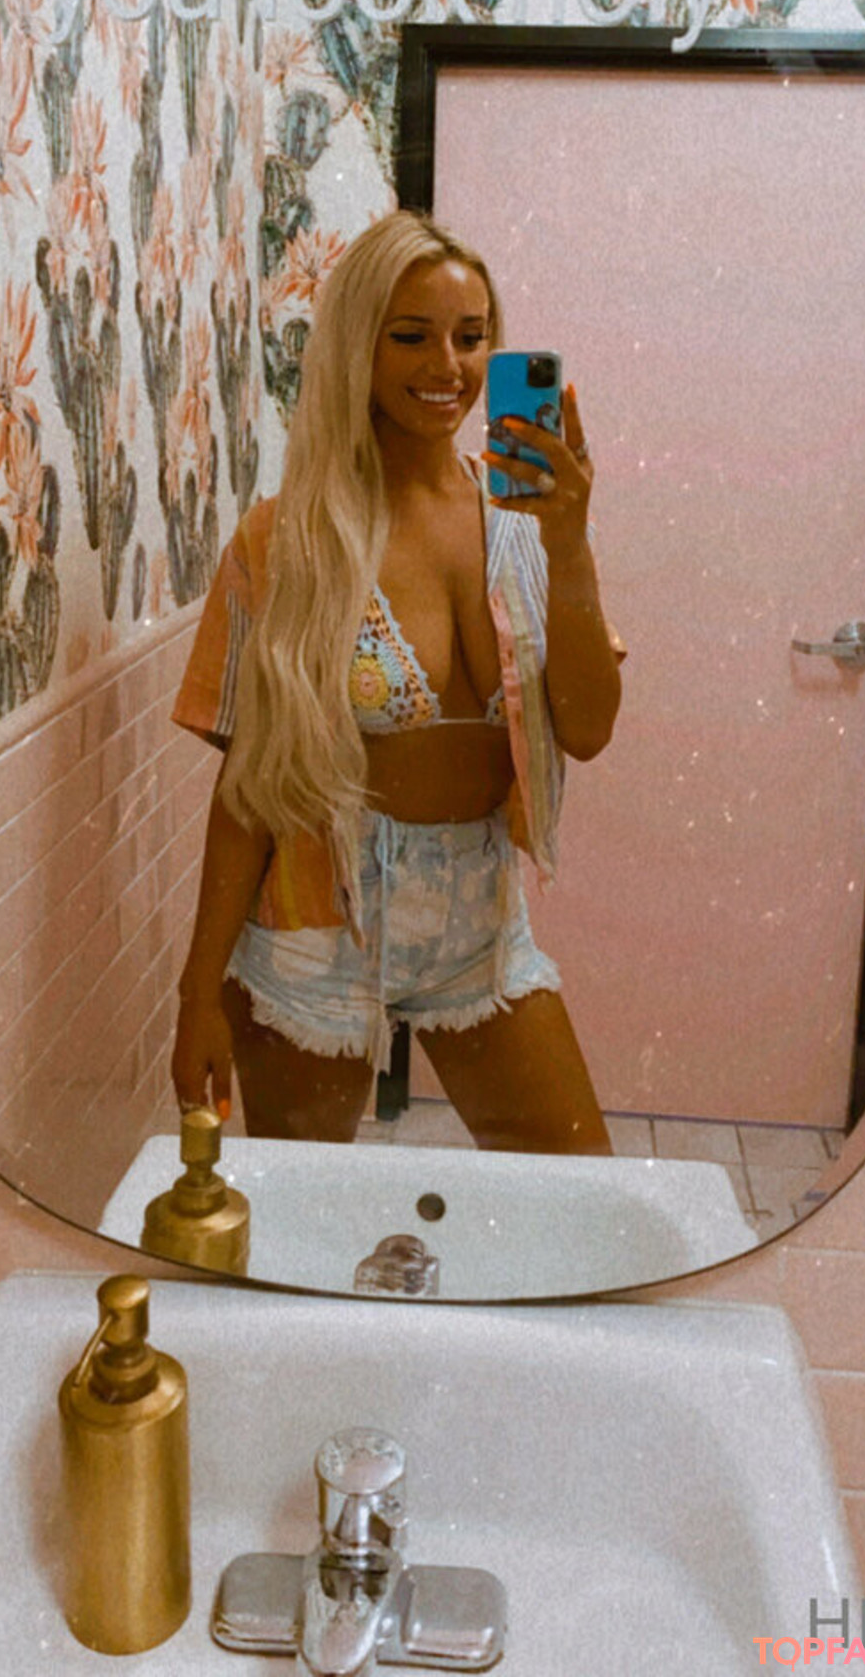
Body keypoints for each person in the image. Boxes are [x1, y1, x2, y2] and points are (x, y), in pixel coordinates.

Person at [170, 210, 623, 1152]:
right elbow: (247, 790)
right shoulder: (287, 539)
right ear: (358, 347)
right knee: (306, 1218)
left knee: (580, 1180)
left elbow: (586, 730)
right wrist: (197, 993)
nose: (447, 365)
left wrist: (571, 544)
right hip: (314, 928)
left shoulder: (527, 524)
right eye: (411, 335)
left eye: (471, 336)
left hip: (480, 920)